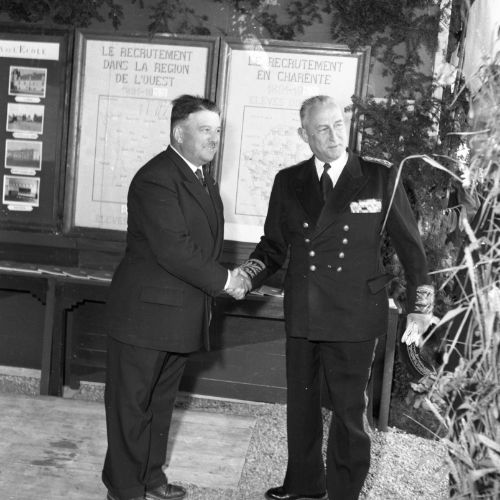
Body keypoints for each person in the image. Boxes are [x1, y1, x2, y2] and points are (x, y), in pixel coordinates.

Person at [235, 95, 434, 500]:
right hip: (305, 310)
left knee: (348, 413)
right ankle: (304, 485)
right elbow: (273, 247)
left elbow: (412, 249)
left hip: (354, 312)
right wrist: (246, 276)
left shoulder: (380, 177)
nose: (334, 135)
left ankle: (344, 494)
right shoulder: (288, 181)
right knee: (302, 404)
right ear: (304, 135)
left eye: (338, 125)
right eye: (322, 129)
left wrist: (421, 308)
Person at [102, 94, 250, 500]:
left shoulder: (202, 179)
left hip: (178, 316)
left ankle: (150, 479)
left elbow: (200, 248)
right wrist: (227, 281)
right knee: (131, 406)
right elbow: (175, 249)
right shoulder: (156, 178)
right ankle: (124, 489)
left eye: (217, 131)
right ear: (178, 133)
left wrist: (227, 279)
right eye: (205, 130)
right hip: (143, 318)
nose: (214, 138)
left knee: (160, 403)